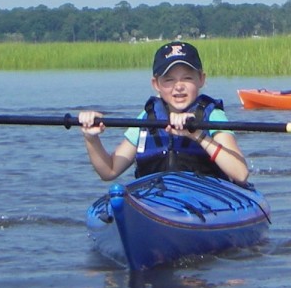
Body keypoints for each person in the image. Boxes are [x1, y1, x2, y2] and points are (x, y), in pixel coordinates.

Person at [79, 41, 250, 186]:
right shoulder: (147, 118)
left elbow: (240, 174)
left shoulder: (213, 116)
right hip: (156, 201)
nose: (178, 86)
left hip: (205, 202)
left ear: (201, 79)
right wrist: (91, 138)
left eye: (187, 78)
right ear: (156, 84)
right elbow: (109, 171)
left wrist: (198, 136)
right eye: (169, 79)